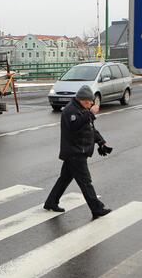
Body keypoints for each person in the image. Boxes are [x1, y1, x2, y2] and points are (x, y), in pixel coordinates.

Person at [44, 85, 113, 219]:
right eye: (89, 101)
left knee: (64, 179)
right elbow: (76, 127)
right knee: (86, 182)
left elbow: (90, 129)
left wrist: (101, 142)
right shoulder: (71, 111)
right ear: (82, 99)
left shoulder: (81, 108)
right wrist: (91, 114)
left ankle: (51, 202)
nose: (91, 103)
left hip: (77, 151)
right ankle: (97, 208)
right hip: (75, 152)